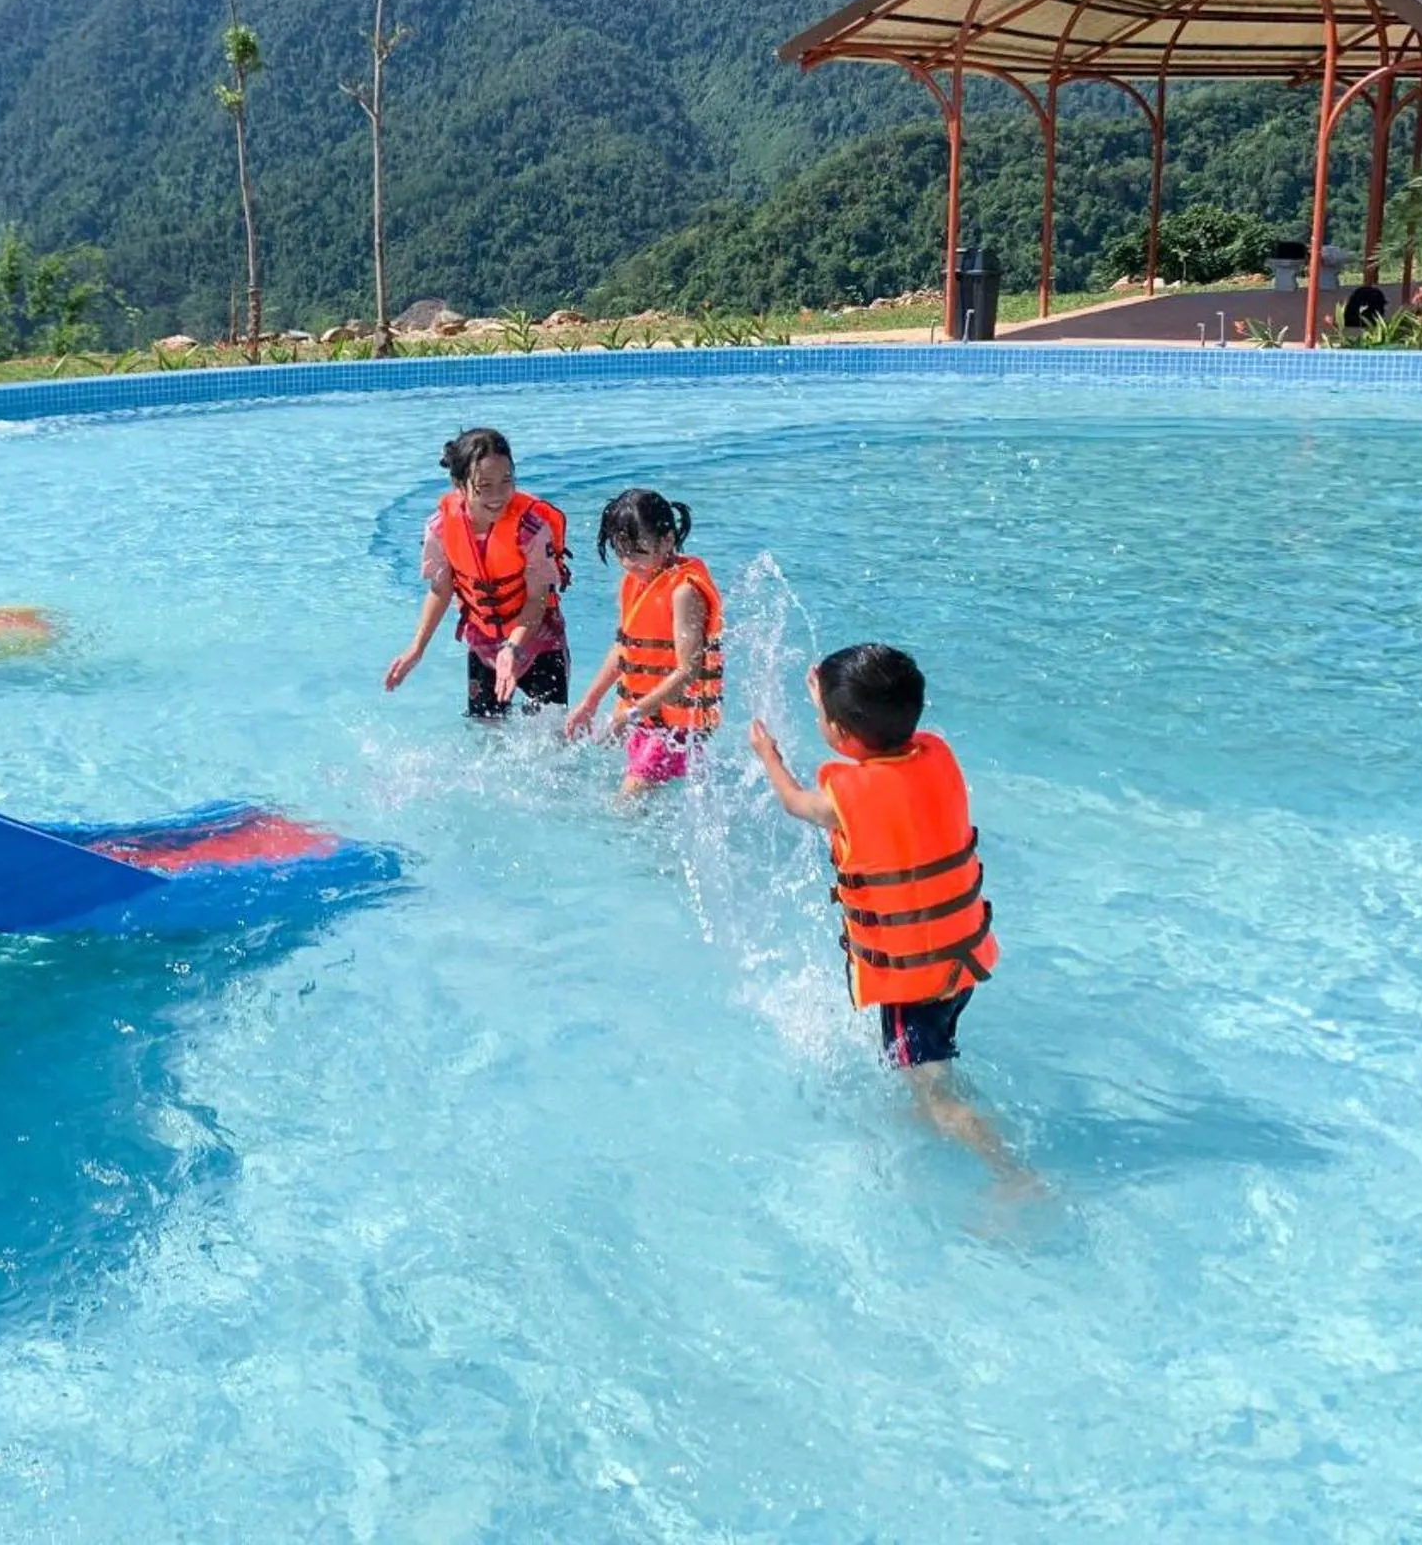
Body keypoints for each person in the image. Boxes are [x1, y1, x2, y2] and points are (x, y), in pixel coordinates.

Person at [749, 643, 1035, 1188]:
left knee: (933, 1091)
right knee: (933, 1061)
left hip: (913, 983)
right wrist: (831, 702)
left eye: (822, 718)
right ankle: (934, 1118)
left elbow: (794, 801)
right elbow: (876, 745)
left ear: (840, 733)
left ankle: (1012, 1175)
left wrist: (768, 754)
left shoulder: (841, 801)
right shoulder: (936, 755)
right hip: (960, 964)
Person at [383, 427, 570, 718]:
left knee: (551, 736)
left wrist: (512, 648)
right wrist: (416, 648)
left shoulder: (530, 529)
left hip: (539, 641)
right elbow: (440, 589)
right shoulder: (441, 528)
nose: (498, 495)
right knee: (486, 733)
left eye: (506, 481)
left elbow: (537, 599)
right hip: (484, 643)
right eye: (484, 485)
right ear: (459, 484)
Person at [563, 489, 721, 790]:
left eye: (636, 551)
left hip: (678, 727)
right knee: (640, 803)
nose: (627, 561)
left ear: (667, 541)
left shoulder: (684, 593)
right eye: (620, 551)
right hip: (648, 718)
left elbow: (689, 671)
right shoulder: (636, 583)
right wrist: (590, 701)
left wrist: (632, 715)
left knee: (628, 802)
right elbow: (624, 648)